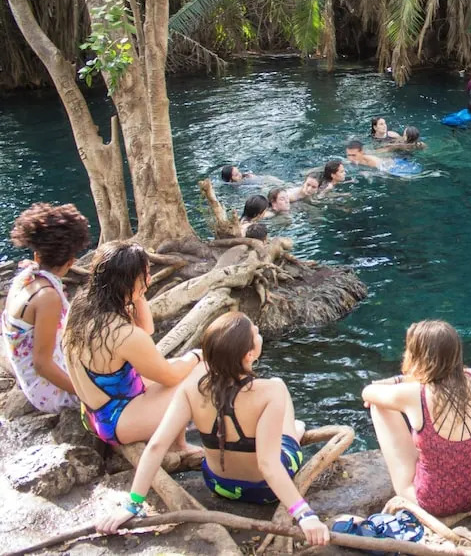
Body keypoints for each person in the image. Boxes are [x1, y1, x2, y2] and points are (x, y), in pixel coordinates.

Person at [94, 312, 329, 546]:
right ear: (249, 354)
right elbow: (268, 465)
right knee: (285, 401)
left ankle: (292, 431)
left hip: (218, 484)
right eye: (256, 332)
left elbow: (156, 446)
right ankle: (294, 433)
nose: (258, 332)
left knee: (273, 428)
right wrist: (304, 515)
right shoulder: (270, 391)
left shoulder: (190, 390)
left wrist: (132, 505)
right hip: (265, 492)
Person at [63, 242, 202, 450]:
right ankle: (181, 446)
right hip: (116, 422)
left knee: (181, 368)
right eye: (145, 275)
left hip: (91, 412)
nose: (149, 279)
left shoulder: (81, 305)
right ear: (128, 281)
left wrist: (136, 294)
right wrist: (196, 356)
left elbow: (146, 329)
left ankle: (178, 442)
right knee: (203, 372)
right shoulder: (123, 333)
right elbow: (170, 376)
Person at [362, 320, 471, 517]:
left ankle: (410, 481)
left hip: (436, 503)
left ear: (418, 356)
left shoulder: (416, 394)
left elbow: (368, 392)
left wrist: (395, 382)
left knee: (379, 406)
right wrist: (399, 380)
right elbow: (441, 374)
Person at [2, 203, 90, 413]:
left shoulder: (25, 278)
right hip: (48, 390)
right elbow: (42, 365)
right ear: (71, 262)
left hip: (34, 377)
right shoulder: (47, 298)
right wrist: (87, 394)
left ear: (37, 256)